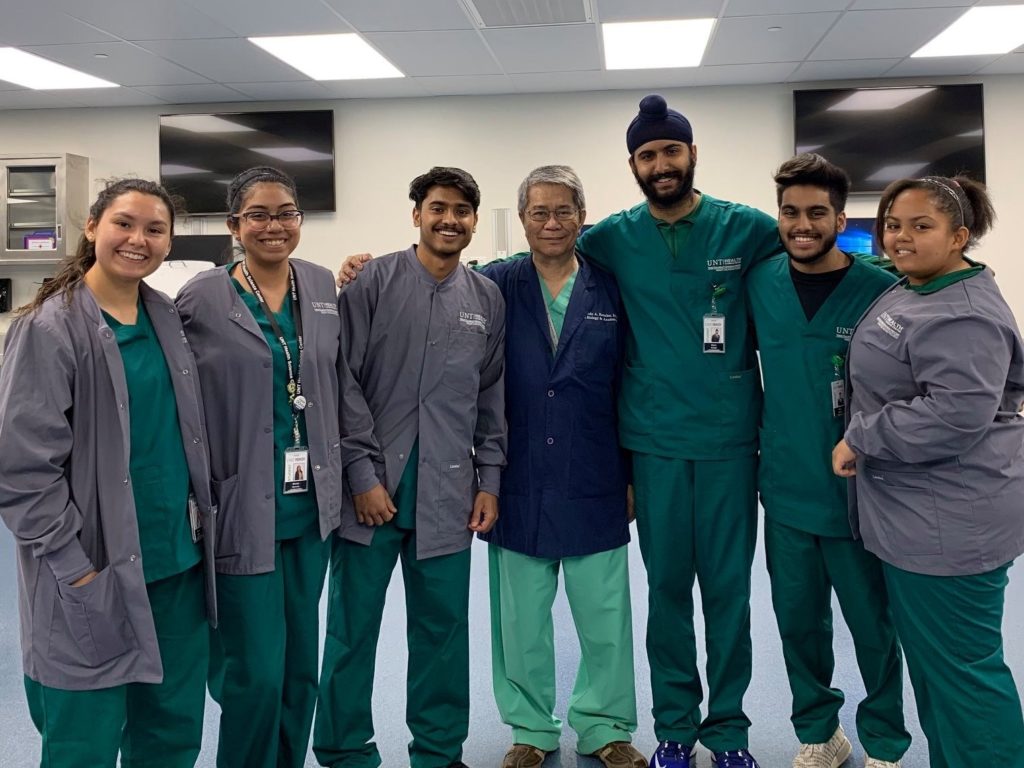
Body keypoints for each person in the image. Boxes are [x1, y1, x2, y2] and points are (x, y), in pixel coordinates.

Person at [576, 95, 781, 768]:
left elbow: (819, 266)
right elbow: (533, 269)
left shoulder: (747, 229)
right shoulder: (610, 238)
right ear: (632, 164)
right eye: (647, 154)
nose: (660, 164)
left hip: (728, 441)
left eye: (671, 150)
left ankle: (728, 732)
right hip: (654, 443)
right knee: (666, 591)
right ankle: (673, 727)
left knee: (727, 592)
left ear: (691, 154)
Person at [0, 178, 216, 767]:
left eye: (155, 228)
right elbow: (20, 473)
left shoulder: (166, 317)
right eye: (124, 223)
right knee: (82, 741)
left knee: (170, 734)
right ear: (92, 226)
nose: (138, 239)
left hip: (175, 563)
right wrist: (74, 569)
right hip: (89, 567)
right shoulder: (47, 329)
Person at [313, 166, 507, 768]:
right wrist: (362, 477)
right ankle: (346, 750)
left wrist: (490, 481)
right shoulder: (373, 281)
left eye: (462, 211)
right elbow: (342, 383)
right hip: (371, 492)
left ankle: (439, 750)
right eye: (437, 208)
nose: (449, 219)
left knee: (443, 633)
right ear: (417, 214)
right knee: (352, 630)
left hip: (449, 492)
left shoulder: (486, 298)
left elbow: (491, 396)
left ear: (474, 221)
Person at [832, 175, 1024, 767]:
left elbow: (956, 412)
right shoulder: (920, 288)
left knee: (965, 678)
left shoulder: (963, 312)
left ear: (959, 235)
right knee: (942, 676)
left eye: (921, 226)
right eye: (893, 225)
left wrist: (860, 438)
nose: (900, 238)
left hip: (950, 527)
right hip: (921, 517)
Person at [176, 166, 345, 768]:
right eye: (259, 215)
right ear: (233, 226)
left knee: (303, 665)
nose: (275, 226)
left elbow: (336, 379)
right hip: (242, 502)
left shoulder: (323, 286)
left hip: (310, 505)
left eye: (286, 213)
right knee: (253, 670)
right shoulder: (202, 294)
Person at [477, 166, 644, 768]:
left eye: (564, 211)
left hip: (596, 470)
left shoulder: (611, 289)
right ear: (521, 219)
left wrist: (630, 473)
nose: (552, 223)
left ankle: (605, 725)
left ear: (582, 215)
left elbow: (633, 381)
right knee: (520, 620)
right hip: (515, 476)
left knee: (605, 617)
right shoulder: (492, 285)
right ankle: (530, 728)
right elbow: (428, 294)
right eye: (539, 212)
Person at [747, 153, 909, 768]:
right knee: (798, 624)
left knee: (873, 626)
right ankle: (820, 733)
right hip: (786, 489)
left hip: (862, 493)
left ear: (840, 218)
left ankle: (887, 742)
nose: (802, 224)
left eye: (817, 212)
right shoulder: (760, 282)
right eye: (790, 213)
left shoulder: (881, 289)